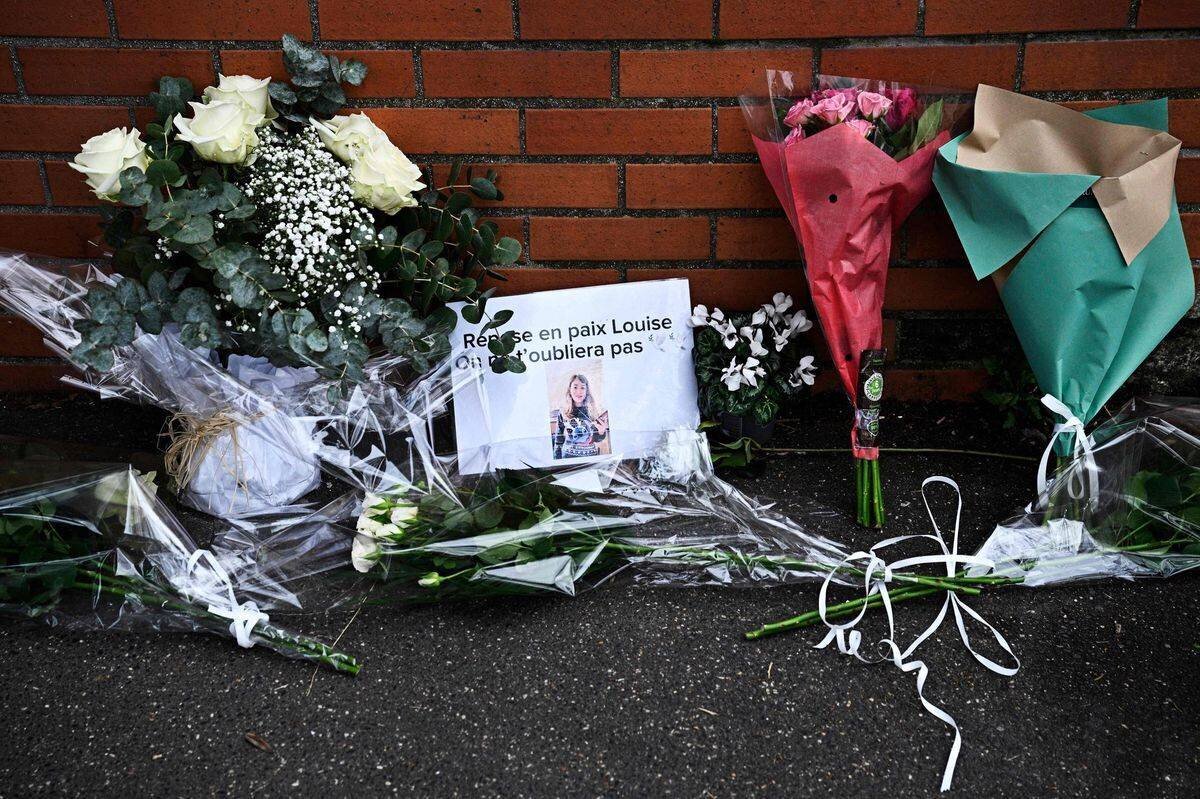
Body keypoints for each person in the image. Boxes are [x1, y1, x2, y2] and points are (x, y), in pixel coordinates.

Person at [550, 373, 609, 459]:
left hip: (590, 458)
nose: (579, 391)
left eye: (582, 387)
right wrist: (557, 461)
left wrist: (601, 432)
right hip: (567, 458)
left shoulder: (593, 411)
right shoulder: (563, 412)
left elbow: (597, 439)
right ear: (569, 389)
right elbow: (558, 440)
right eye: (575, 387)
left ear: (586, 391)